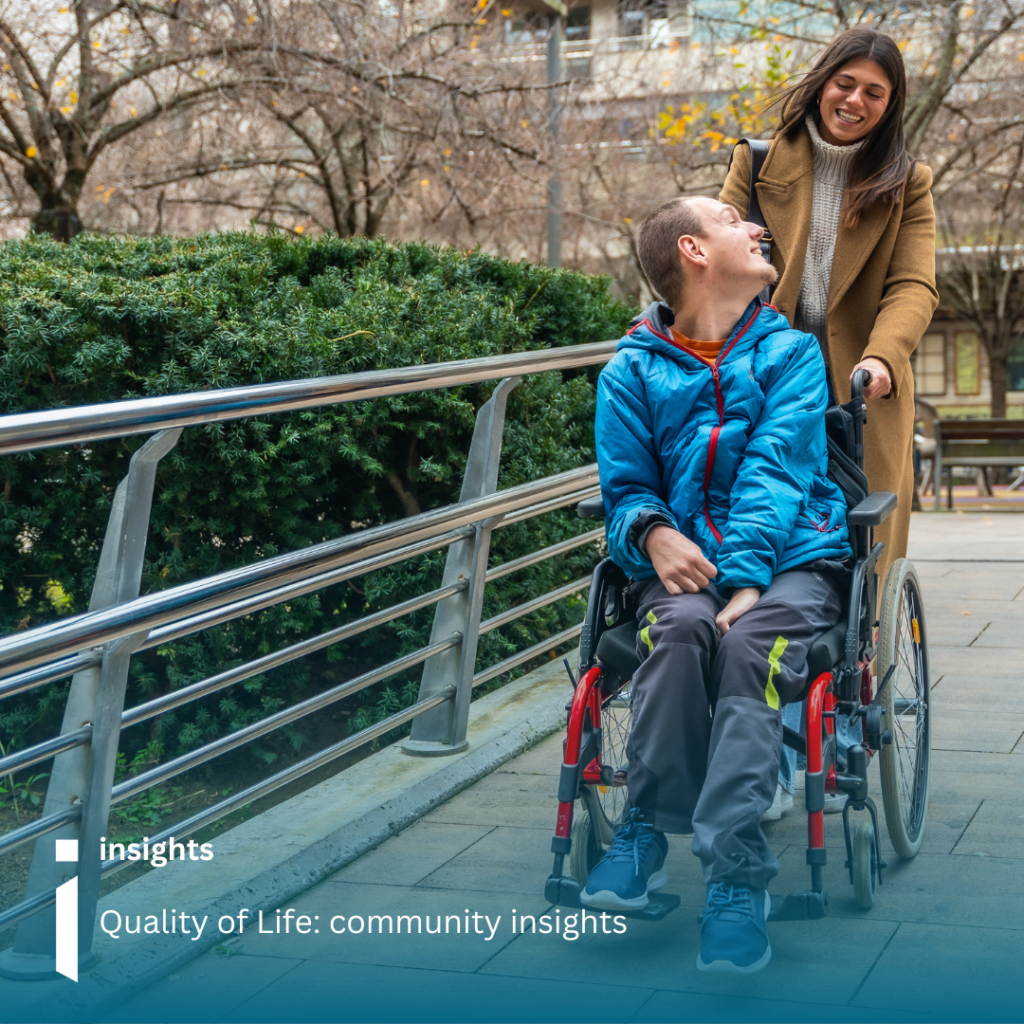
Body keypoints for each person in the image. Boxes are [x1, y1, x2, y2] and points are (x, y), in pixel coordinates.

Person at [579, 195, 852, 974]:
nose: (758, 227)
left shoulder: (792, 355)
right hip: (683, 569)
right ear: (694, 252)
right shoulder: (629, 370)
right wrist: (653, 533)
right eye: (736, 222)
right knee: (677, 630)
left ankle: (737, 877)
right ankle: (645, 832)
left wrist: (747, 578)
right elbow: (626, 487)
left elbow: (777, 469)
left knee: (750, 647)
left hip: (795, 560)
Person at [720, 27, 938, 809]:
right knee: (759, 534)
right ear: (822, 82)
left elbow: (914, 285)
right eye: (846, 83)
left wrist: (882, 357)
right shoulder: (756, 158)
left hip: (859, 391)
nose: (855, 101)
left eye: (874, 92)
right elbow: (716, 252)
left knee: (855, 560)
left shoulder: (906, 180)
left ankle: (843, 712)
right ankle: (761, 721)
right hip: (765, 378)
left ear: (890, 105)